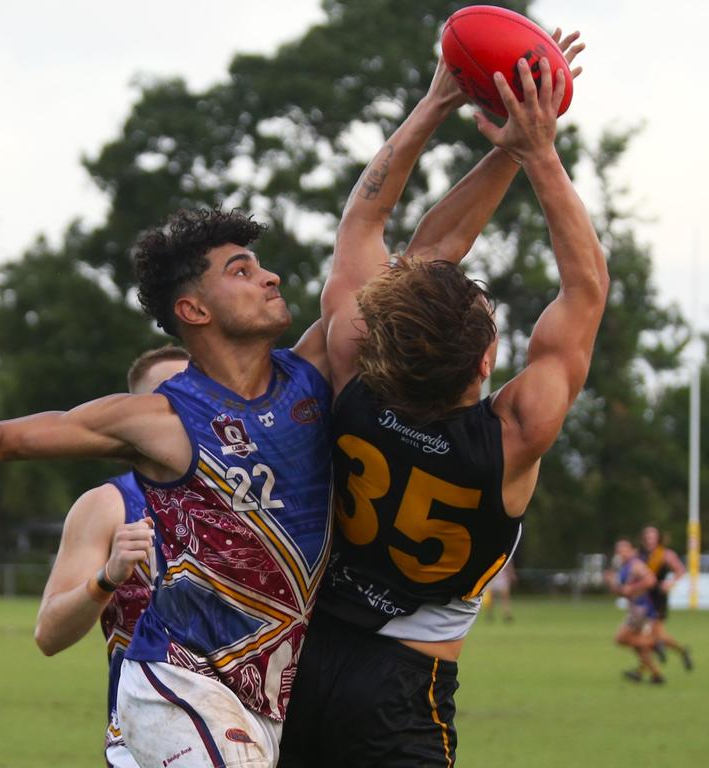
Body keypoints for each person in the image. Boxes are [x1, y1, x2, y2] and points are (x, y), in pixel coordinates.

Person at [0, 204, 336, 767]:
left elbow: (385, 255)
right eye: (241, 270)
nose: (269, 277)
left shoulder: (303, 387)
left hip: (268, 700)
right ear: (193, 309)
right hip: (168, 694)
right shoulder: (138, 455)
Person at [281, 40, 602, 766]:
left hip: (296, 651)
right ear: (488, 361)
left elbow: (369, 228)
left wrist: (437, 102)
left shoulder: (351, 369)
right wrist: (539, 152)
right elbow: (584, 290)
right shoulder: (517, 433)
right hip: (404, 684)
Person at [33, 346, 189, 768]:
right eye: (167, 401)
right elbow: (49, 633)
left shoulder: (251, 496)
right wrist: (107, 577)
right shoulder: (108, 505)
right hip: (146, 742)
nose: (183, 413)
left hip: (254, 730)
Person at [607, 538, 664, 685]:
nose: (621, 553)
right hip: (634, 609)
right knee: (637, 646)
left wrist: (633, 588)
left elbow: (651, 580)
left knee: (620, 639)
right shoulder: (624, 567)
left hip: (640, 609)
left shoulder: (636, 565)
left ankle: (653, 644)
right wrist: (612, 583)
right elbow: (623, 592)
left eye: (624, 549)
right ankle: (656, 675)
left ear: (631, 550)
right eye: (619, 550)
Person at [639, 526, 692, 670]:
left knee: (649, 634)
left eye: (653, 536)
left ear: (658, 538)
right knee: (655, 634)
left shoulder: (665, 554)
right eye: (647, 536)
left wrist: (670, 582)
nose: (650, 539)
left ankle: (644, 668)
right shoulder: (641, 554)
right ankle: (680, 651)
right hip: (643, 597)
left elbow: (680, 570)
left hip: (658, 598)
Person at [485, 558, 517, 623]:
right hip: (493, 578)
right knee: (491, 599)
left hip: (502, 578)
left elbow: (509, 565)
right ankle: (490, 615)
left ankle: (506, 614)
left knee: (505, 598)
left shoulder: (505, 553)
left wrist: (511, 574)